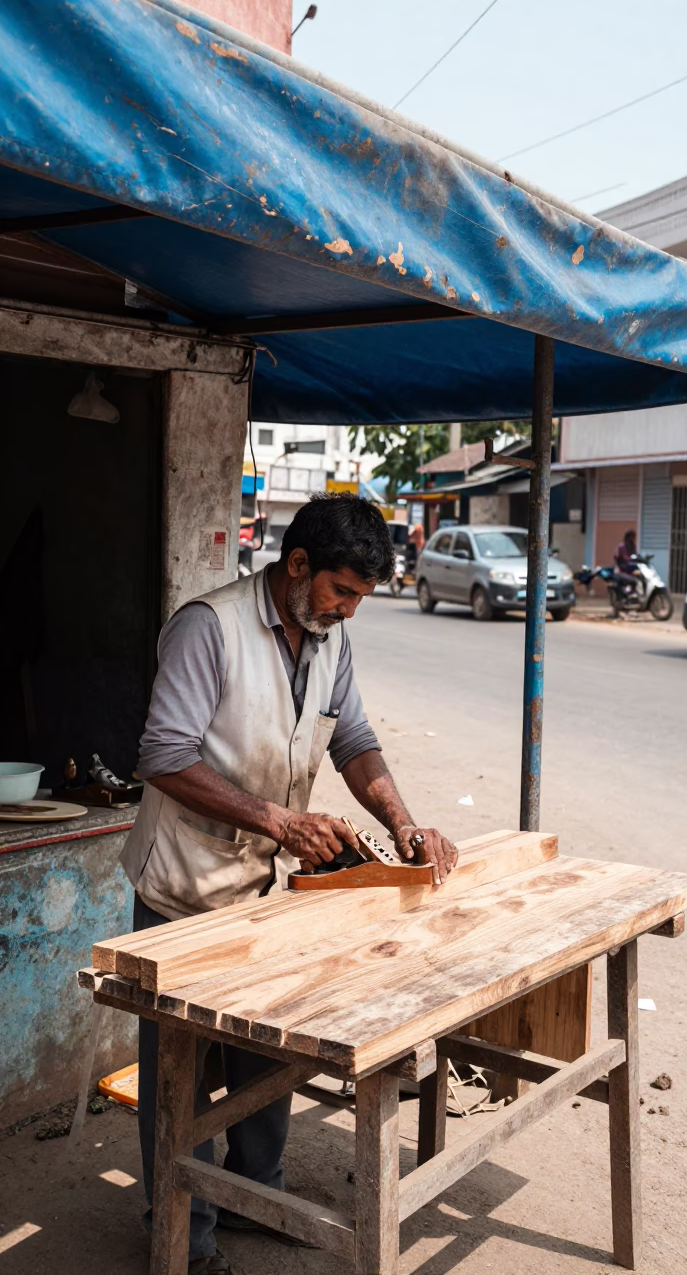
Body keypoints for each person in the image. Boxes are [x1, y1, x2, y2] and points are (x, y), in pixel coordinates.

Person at [120, 493, 457, 1274]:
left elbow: (355, 740)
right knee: (181, 1075)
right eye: (342, 591)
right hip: (184, 887)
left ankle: (257, 1198)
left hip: (264, 887)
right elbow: (164, 756)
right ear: (297, 564)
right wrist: (278, 820)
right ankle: (185, 1235)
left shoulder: (330, 636)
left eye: (360, 598)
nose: (349, 610)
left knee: (265, 1060)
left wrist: (405, 825)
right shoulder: (210, 628)